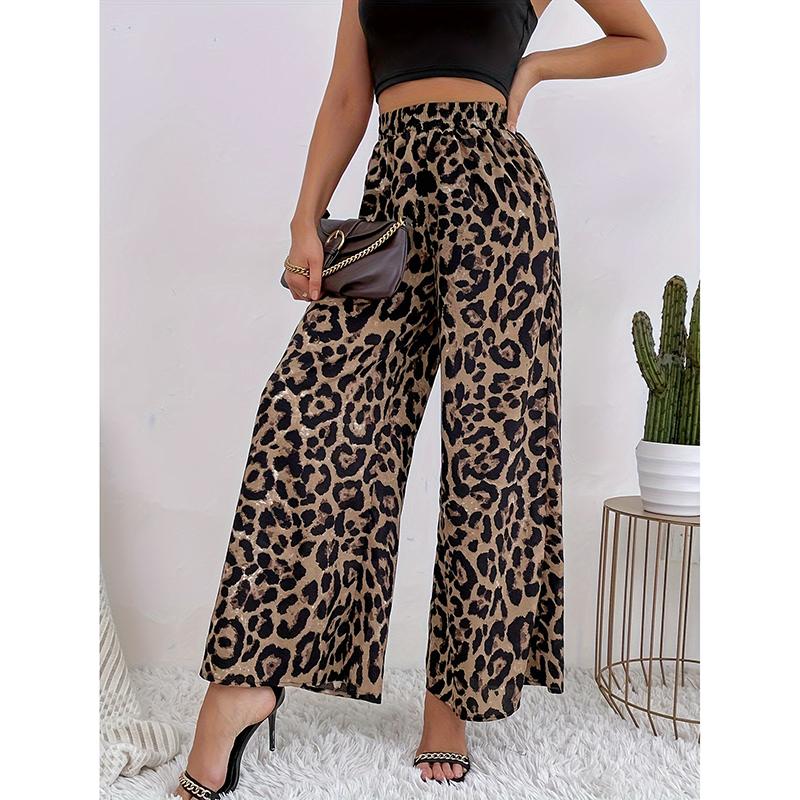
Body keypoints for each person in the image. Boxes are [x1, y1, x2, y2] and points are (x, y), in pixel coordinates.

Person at [175, 1, 666, 796]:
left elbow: (643, 41)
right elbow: (348, 97)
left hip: (501, 206)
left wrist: (535, 68)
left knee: (489, 451)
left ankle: (453, 699)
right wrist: (304, 220)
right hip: (392, 205)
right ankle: (244, 684)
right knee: (306, 418)